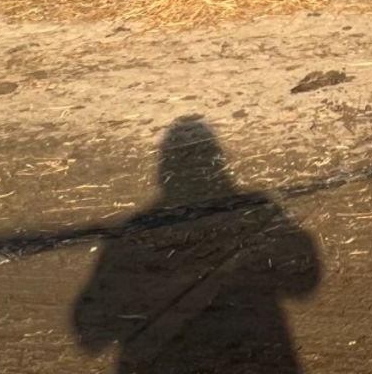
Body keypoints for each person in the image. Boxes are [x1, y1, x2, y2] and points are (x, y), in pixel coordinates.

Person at [72, 116, 321, 374]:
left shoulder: (138, 233)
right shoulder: (256, 212)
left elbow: (89, 329)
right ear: (218, 164)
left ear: (164, 172)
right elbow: (305, 279)